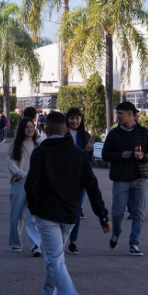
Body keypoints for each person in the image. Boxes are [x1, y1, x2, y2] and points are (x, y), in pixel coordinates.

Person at [25, 111, 111, 295]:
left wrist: (34, 208)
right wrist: (102, 214)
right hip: (70, 215)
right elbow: (92, 186)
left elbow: (31, 185)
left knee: (55, 259)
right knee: (57, 259)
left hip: (47, 214)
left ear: (45, 130)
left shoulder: (40, 152)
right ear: (65, 130)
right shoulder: (78, 154)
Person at [101, 101, 148, 256]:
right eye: (117, 113)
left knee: (138, 212)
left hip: (140, 179)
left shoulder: (144, 132)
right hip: (120, 179)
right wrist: (120, 155)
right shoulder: (114, 133)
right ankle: (116, 233)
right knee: (117, 213)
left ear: (130, 114)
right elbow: (105, 154)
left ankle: (134, 243)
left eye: (120, 113)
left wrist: (144, 156)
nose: (117, 116)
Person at [7, 117, 42, 256]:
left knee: (34, 217)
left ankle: (35, 246)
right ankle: (15, 243)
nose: (30, 129)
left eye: (32, 126)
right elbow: (11, 163)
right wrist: (22, 174)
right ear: (22, 129)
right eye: (27, 127)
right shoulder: (16, 145)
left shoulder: (38, 145)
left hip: (36, 185)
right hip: (19, 184)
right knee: (16, 217)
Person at [64, 108, 95, 255]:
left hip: (80, 180)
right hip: (63, 179)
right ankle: (60, 239)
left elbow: (87, 162)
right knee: (61, 209)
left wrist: (88, 151)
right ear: (67, 119)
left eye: (77, 118)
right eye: (71, 118)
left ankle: (72, 242)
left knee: (76, 211)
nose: (74, 121)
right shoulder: (62, 135)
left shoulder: (86, 136)